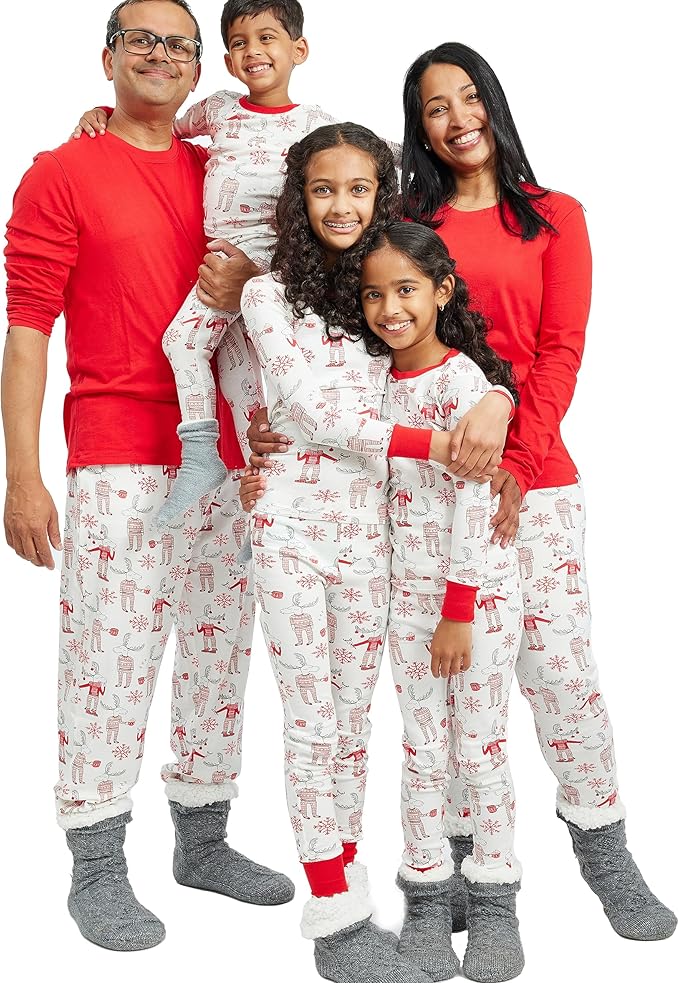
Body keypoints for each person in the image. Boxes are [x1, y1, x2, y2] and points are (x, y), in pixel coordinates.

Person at [2, 0, 293, 953]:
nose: (162, 55)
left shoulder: (221, 163)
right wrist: (23, 473)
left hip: (232, 457)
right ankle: (94, 861)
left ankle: (202, 839)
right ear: (109, 58)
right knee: (109, 659)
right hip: (120, 450)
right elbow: (28, 328)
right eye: (143, 40)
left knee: (219, 651)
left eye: (180, 44)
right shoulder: (62, 171)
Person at [401, 41, 676, 944]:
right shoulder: (409, 228)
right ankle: (460, 869)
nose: (456, 117)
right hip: (436, 489)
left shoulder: (553, 216)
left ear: (494, 104)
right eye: (435, 106)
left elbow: (560, 348)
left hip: (540, 481)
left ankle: (601, 844)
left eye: (468, 97)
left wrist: (517, 459)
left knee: (560, 671)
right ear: (421, 127)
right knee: (453, 689)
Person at [238, 122, 474, 983]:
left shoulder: (378, 299)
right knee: (311, 720)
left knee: (352, 724)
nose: (341, 204)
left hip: (367, 537)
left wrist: (485, 411)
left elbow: (447, 363)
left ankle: (358, 889)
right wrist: (434, 445)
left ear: (382, 198)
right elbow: (311, 413)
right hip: (289, 536)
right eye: (323, 189)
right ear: (300, 200)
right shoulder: (265, 297)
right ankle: (335, 922)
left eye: (358, 189)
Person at [76, 0, 335, 526]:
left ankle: (199, 455)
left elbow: (368, 160)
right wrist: (101, 113)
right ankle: (263, 508)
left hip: (261, 266)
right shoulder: (218, 109)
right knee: (242, 388)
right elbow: (159, 122)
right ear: (224, 59)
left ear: (299, 51)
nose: (253, 51)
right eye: (239, 43)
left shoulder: (316, 126)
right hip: (220, 267)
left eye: (268, 39)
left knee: (182, 343)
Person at [350, 220, 524, 982]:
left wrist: (456, 610)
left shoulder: (461, 385)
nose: (389, 308)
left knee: (479, 751)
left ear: (441, 291)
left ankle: (492, 900)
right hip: (405, 607)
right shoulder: (371, 383)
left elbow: (471, 507)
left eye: (406, 290)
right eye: (373, 294)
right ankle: (425, 896)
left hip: (472, 602)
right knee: (421, 754)